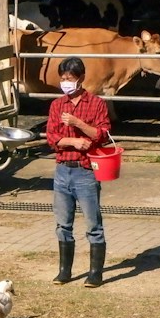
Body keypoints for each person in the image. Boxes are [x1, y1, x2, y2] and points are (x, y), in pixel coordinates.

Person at [46, 55, 112, 287]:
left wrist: (79, 124)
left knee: (93, 225)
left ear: (81, 78)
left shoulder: (96, 104)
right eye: (62, 79)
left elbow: (102, 134)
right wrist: (72, 142)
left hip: (86, 171)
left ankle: (96, 272)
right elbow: (52, 138)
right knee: (63, 224)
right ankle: (65, 270)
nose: (66, 83)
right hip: (63, 170)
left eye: (70, 78)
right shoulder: (57, 105)